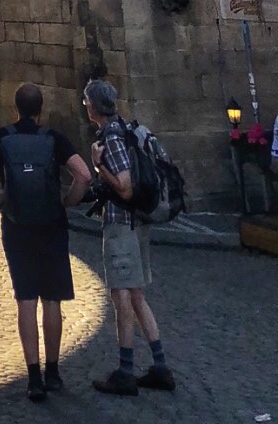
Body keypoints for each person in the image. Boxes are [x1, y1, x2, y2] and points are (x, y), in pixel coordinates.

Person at [0, 83, 92, 404]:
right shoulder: (54, 138)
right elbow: (84, 175)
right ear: (40, 110)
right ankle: (53, 372)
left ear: (16, 109)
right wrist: (67, 202)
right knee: (52, 300)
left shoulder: (1, 137)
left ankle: (33, 377)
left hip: (16, 225)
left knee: (26, 300)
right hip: (51, 224)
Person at [84, 78, 177, 396]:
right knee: (136, 295)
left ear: (94, 107)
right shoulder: (126, 129)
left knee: (122, 295)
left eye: (86, 102)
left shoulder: (111, 137)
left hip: (122, 225)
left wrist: (99, 167)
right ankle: (160, 367)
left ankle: (125, 372)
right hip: (138, 223)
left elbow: (124, 187)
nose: (85, 107)